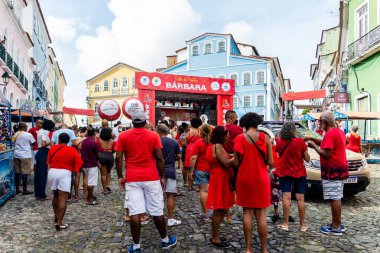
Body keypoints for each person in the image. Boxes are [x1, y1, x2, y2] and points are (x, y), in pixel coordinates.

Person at [115, 112, 177, 253]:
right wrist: (162, 176)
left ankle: (136, 246)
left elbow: (118, 158)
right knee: (156, 211)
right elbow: (159, 157)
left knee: (135, 212)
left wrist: (120, 176)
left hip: (132, 178)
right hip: (151, 177)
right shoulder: (153, 135)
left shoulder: (123, 136)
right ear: (145, 122)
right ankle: (165, 240)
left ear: (132, 121)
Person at [233, 112, 274, 253]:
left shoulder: (239, 138)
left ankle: (248, 249)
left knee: (247, 213)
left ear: (244, 124)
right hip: (261, 178)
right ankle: (264, 249)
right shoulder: (265, 138)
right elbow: (271, 162)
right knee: (261, 215)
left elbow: (236, 163)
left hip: (245, 178)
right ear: (257, 123)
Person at [307, 110, 349, 236]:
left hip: (333, 170)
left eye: (320, 122)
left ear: (325, 122)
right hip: (339, 169)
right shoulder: (338, 132)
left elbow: (325, 153)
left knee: (334, 198)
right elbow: (328, 144)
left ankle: (336, 227)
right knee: (337, 197)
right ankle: (337, 223)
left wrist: (313, 145)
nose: (319, 124)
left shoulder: (330, 134)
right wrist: (314, 139)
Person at [275, 122, 310, 232]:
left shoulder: (280, 142)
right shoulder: (300, 142)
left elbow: (278, 153)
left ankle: (285, 224)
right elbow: (307, 158)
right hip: (299, 171)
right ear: (294, 130)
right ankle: (302, 225)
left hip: (284, 171)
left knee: (286, 197)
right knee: (300, 198)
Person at [47, 133, 83, 231]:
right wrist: (74, 171)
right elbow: (79, 162)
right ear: (68, 140)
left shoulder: (53, 148)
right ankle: (59, 222)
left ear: (58, 139)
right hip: (65, 173)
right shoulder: (71, 149)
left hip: (52, 172)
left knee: (55, 195)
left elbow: (48, 162)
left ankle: (56, 216)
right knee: (63, 198)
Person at [206, 126, 234, 249]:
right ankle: (215, 238)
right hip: (220, 178)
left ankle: (215, 235)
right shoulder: (218, 146)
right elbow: (227, 163)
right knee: (219, 209)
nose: (228, 137)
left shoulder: (212, 146)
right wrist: (237, 156)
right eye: (226, 135)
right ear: (221, 136)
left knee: (220, 209)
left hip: (217, 177)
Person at [157, 124, 182, 226]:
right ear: (167, 132)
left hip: (157, 172)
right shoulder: (174, 142)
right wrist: (172, 159)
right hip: (170, 171)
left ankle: (158, 217)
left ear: (158, 131)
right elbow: (179, 156)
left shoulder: (156, 141)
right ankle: (170, 219)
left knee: (157, 196)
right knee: (170, 196)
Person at [223, 110, 243, 223]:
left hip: (224, 159)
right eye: (235, 117)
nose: (237, 119)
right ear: (231, 118)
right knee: (237, 186)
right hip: (236, 160)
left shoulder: (222, 129)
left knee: (227, 186)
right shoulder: (238, 130)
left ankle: (227, 214)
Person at [190, 124, 212, 221]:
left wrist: (191, 171)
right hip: (213, 169)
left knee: (203, 191)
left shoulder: (198, 143)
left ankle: (206, 213)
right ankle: (216, 212)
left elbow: (194, 157)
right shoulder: (214, 142)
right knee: (213, 190)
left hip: (201, 169)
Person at [34, 120, 55, 200]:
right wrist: (51, 142)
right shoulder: (45, 132)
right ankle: (42, 194)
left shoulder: (40, 131)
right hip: (44, 152)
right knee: (43, 174)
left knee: (38, 174)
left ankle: (37, 193)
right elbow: (43, 144)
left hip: (39, 152)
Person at [14, 122, 36, 195]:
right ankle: (24, 190)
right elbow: (34, 143)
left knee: (17, 172)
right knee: (25, 173)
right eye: (26, 126)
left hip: (16, 155)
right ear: (23, 127)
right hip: (25, 155)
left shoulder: (16, 134)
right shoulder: (28, 135)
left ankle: (17, 189)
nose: (27, 128)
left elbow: (14, 141)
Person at [81, 127, 100, 205]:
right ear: (94, 134)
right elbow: (97, 154)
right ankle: (89, 199)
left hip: (85, 164)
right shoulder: (94, 143)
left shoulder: (84, 142)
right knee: (91, 182)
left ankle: (90, 196)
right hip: (92, 164)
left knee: (88, 180)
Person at [185, 117, 203, 190]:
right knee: (199, 167)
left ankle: (190, 186)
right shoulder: (200, 131)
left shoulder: (189, 132)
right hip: (199, 148)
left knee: (190, 168)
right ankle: (199, 187)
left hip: (190, 149)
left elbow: (186, 141)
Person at [98, 128, 116, 194]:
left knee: (103, 174)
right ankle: (107, 185)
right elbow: (115, 150)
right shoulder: (112, 141)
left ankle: (104, 189)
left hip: (102, 156)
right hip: (110, 156)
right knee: (108, 172)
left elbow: (97, 149)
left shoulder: (99, 140)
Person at [73, 127, 88, 200]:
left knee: (77, 176)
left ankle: (76, 194)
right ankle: (85, 194)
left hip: (78, 158)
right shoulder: (88, 140)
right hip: (86, 158)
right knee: (85, 177)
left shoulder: (76, 140)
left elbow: (74, 148)